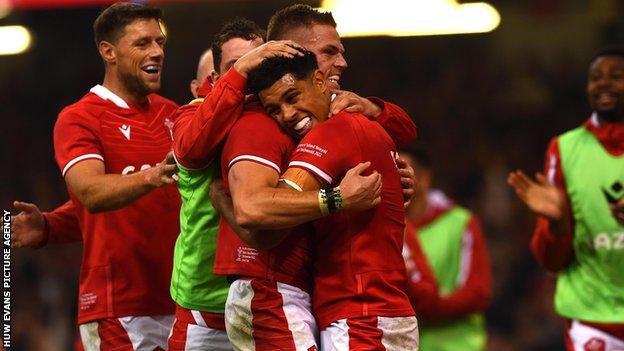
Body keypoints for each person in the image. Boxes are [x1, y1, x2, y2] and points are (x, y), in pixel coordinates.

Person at [211, 7, 417, 350]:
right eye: (329, 52)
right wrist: (337, 198)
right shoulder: (257, 125)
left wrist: (373, 111)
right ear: (293, 52)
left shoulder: (337, 123)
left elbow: (405, 129)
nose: (342, 63)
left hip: (354, 309)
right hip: (277, 290)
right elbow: (253, 213)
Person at [167, 18, 315, 351]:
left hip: (270, 294)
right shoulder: (192, 115)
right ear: (218, 79)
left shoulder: (283, 111)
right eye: (237, 67)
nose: (249, 75)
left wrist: (378, 109)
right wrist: (243, 72)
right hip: (204, 304)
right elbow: (191, 149)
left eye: (258, 62)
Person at [52, 3, 181, 349]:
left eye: (160, 42)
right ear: (108, 52)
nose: (156, 51)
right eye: (142, 43)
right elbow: (90, 192)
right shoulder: (80, 118)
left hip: (181, 302)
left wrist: (50, 226)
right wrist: (151, 176)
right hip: (118, 309)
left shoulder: (173, 114)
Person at [508, 48, 624, 351]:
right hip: (591, 316)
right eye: (595, 78)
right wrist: (557, 223)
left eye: (616, 76)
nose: (603, 84)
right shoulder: (565, 148)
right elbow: (551, 260)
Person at [401, 150, 492, 351]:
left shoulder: (460, 223)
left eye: (402, 170)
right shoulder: (386, 227)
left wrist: (429, 304)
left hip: (458, 345)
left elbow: (478, 293)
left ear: (424, 178)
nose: (394, 177)